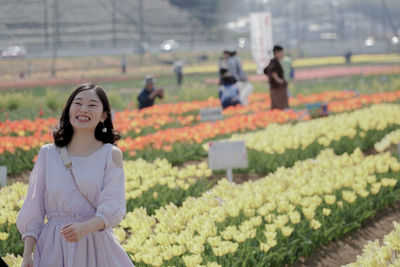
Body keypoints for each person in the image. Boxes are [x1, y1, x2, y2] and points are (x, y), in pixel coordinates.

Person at [16, 83, 134, 267]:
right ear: (69, 110)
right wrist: (27, 255)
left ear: (104, 115)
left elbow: (114, 204)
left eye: (93, 105)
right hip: (54, 245)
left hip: (95, 244)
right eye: (78, 103)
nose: (84, 109)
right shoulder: (48, 153)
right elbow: (33, 207)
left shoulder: (110, 154)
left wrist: (85, 228)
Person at [264, 45, 289, 110]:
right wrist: (278, 80)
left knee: (277, 105)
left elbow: (266, 71)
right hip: (278, 87)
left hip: (275, 87)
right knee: (280, 105)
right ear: (276, 53)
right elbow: (272, 71)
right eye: (281, 53)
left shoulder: (274, 61)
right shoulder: (274, 62)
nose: (282, 54)